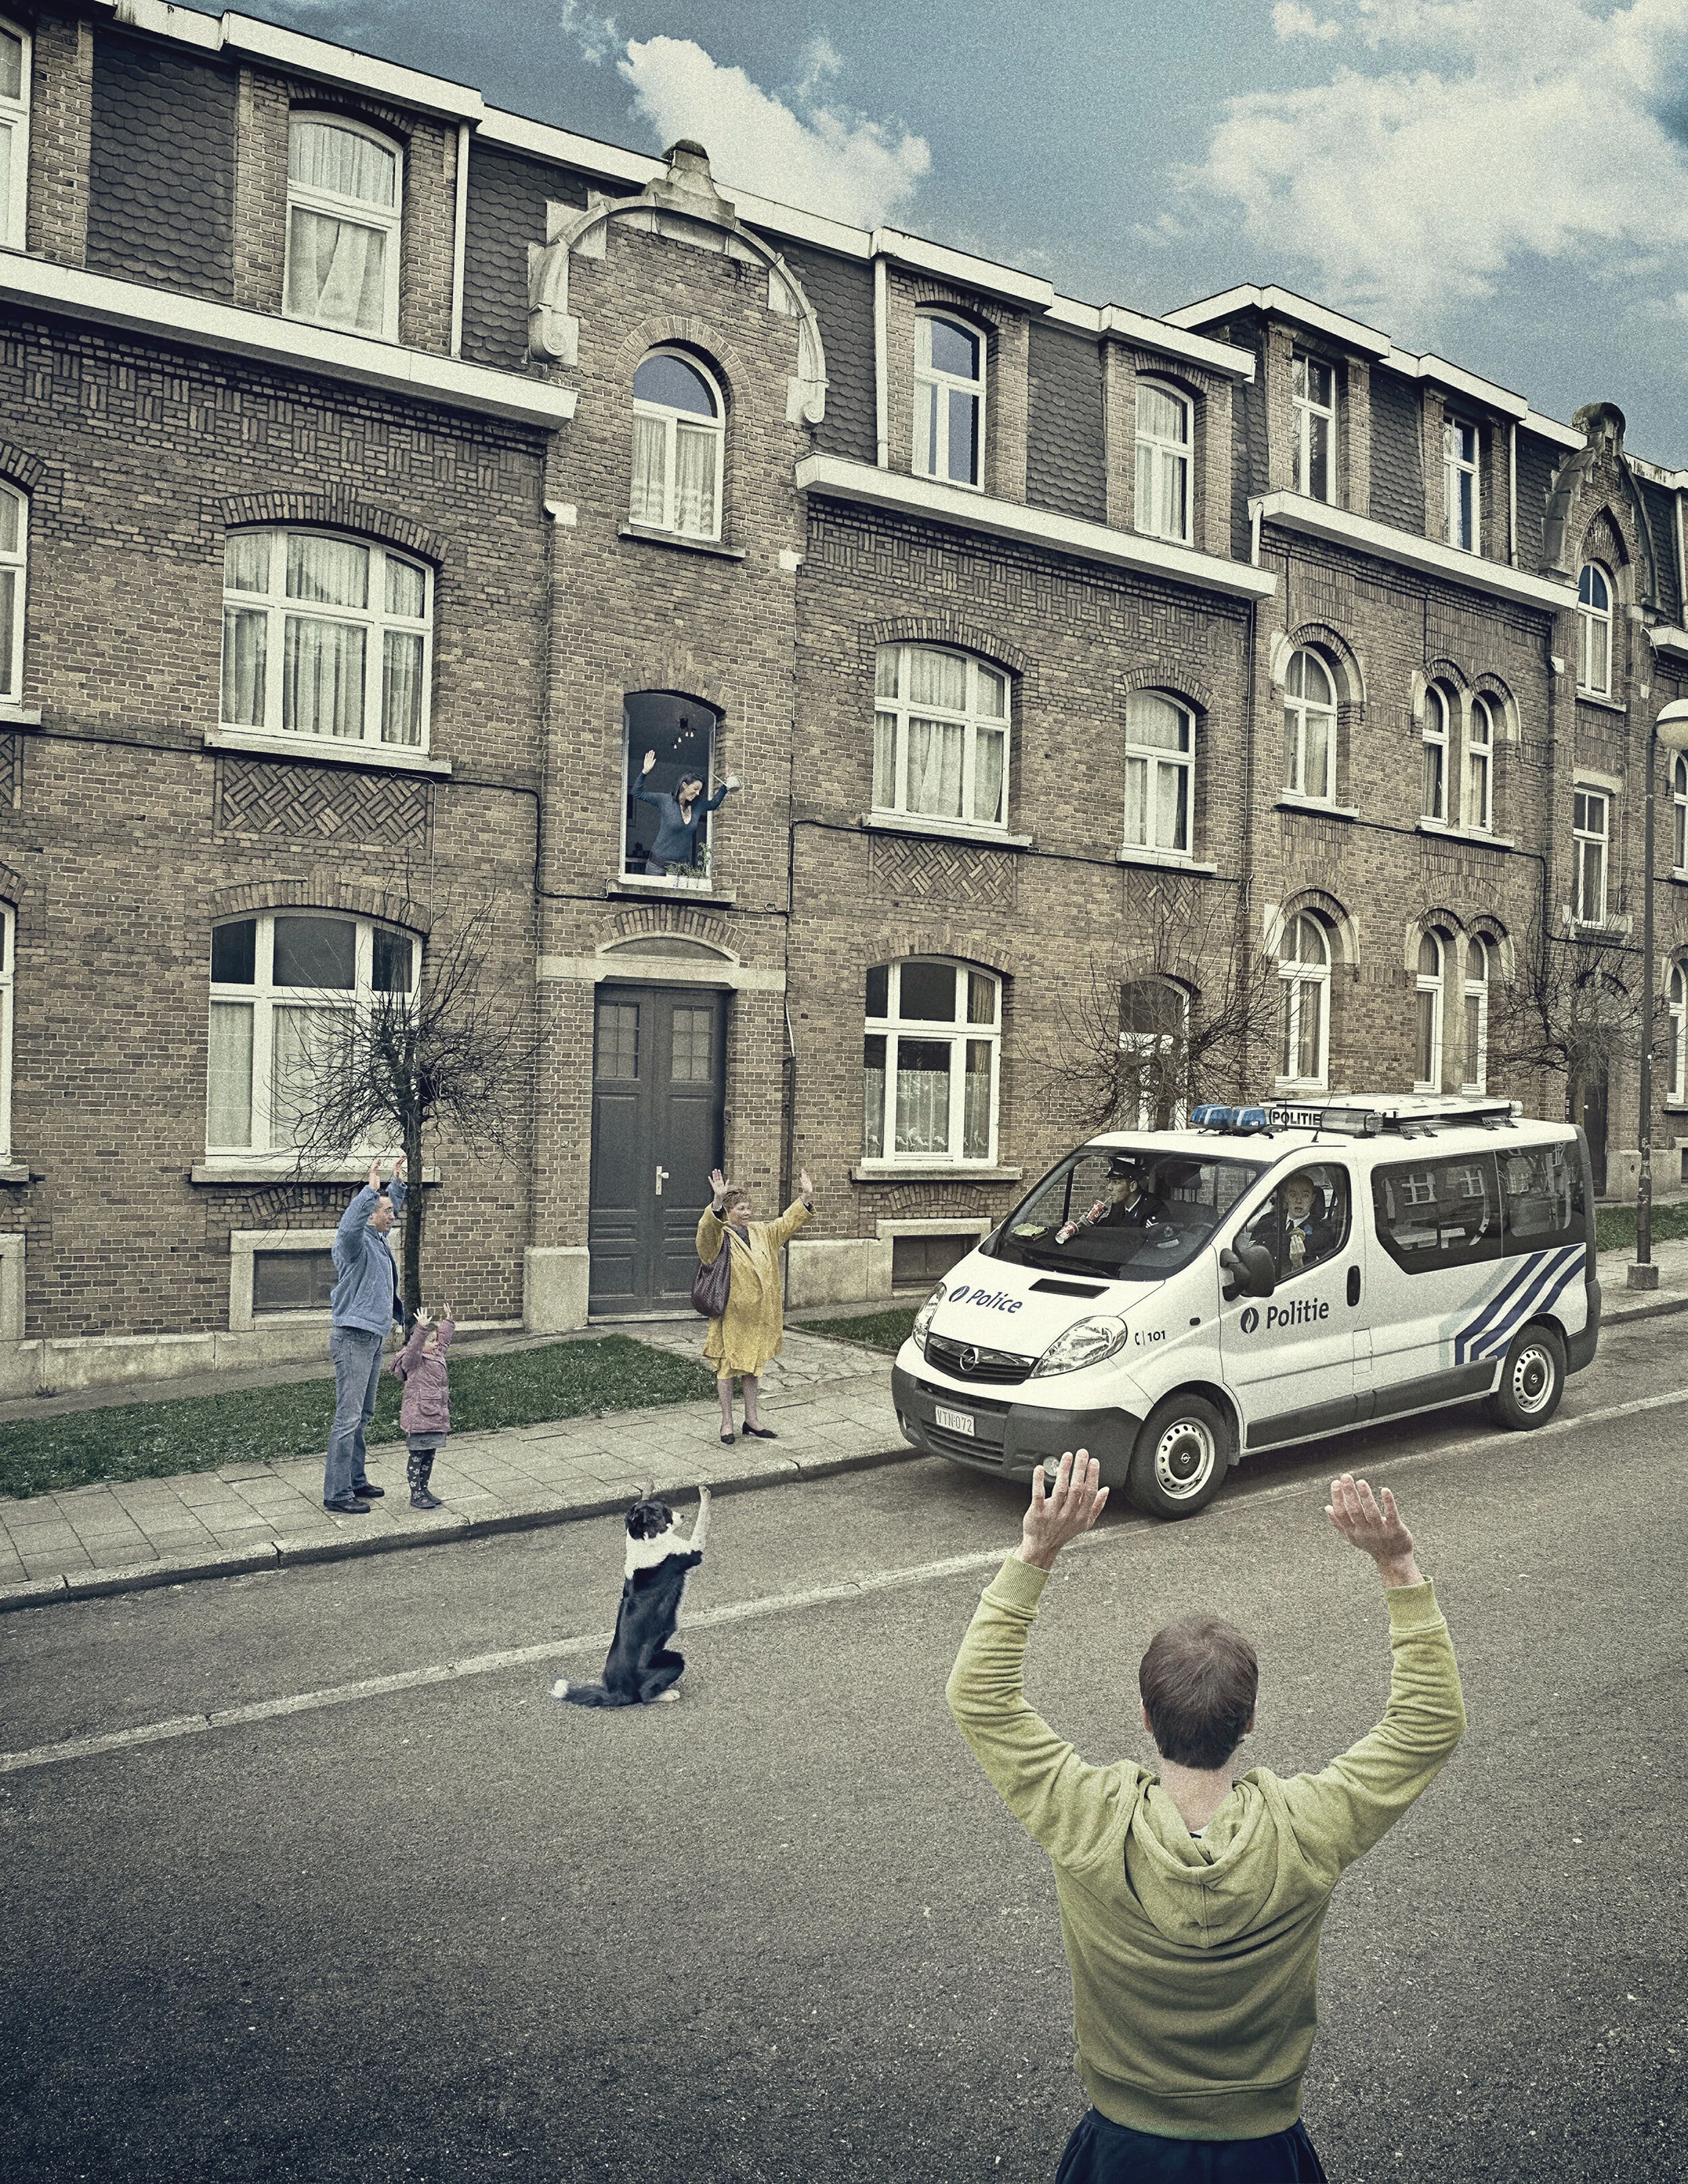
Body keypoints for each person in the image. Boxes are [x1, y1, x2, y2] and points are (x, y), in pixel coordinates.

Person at [947, 1456, 1466, 2183]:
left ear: (1145, 1718)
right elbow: (1428, 1721)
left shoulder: (1089, 1818)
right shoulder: (1303, 1827)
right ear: (1249, 1720)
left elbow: (980, 1696)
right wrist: (1396, 1562)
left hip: (1121, 2149)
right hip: (1262, 2150)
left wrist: (1039, 1548)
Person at [696, 1165, 814, 1444]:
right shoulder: (719, 1237)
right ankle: (727, 1423)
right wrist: (716, 1202)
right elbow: (705, 1233)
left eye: (748, 1207)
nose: (747, 1213)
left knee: (752, 1368)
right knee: (727, 1369)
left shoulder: (762, 1232)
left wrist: (806, 1197)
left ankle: (752, 1420)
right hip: (731, 1315)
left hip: (758, 1316)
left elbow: (786, 1222)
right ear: (729, 1212)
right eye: (740, 1209)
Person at [324, 1153, 407, 1514]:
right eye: (386, 1210)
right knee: (348, 1415)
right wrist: (368, 1193)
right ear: (370, 1212)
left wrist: (396, 1184)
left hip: (372, 1336)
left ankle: (356, 1479)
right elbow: (348, 1227)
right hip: (353, 1336)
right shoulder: (354, 1244)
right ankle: (337, 1492)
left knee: (364, 1414)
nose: (392, 1215)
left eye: (391, 1210)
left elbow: (391, 1206)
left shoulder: (378, 1239)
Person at [632, 748, 740, 876]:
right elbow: (636, 793)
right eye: (695, 789)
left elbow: (714, 804)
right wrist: (645, 772)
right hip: (657, 866)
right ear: (684, 785)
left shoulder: (698, 805)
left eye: (700, 790)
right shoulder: (665, 800)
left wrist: (726, 785)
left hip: (681, 867)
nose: (698, 793)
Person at [391, 1302, 454, 1511]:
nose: (436, 1344)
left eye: (435, 1340)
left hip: (434, 1416)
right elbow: (414, 1349)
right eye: (431, 1341)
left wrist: (447, 1322)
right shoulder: (414, 1361)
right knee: (417, 1456)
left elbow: (443, 1342)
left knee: (429, 1454)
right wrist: (421, 1330)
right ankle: (415, 1493)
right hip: (419, 1418)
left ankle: (424, 1488)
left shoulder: (436, 1354)